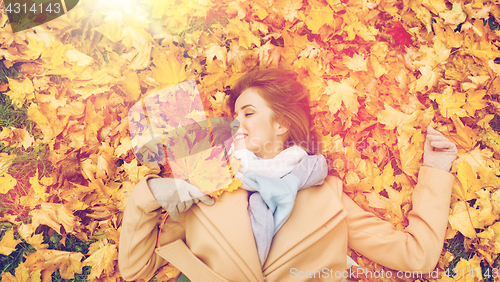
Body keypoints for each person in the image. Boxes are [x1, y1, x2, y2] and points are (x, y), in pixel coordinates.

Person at [118, 68, 457, 282]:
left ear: (281, 124)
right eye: (235, 116)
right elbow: (137, 269)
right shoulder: (206, 182)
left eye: (249, 112)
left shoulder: (328, 195)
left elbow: (416, 256)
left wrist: (437, 169)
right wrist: (152, 195)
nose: (238, 123)